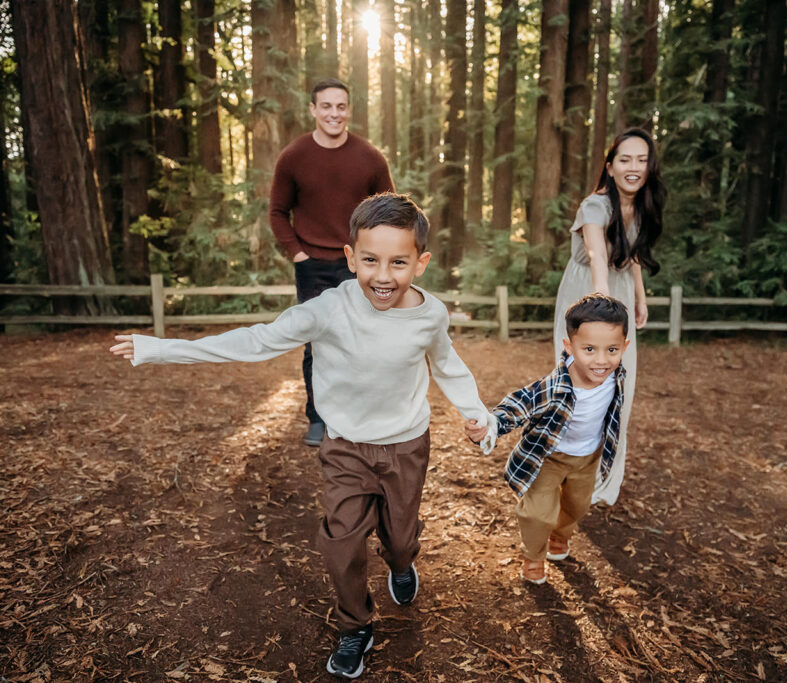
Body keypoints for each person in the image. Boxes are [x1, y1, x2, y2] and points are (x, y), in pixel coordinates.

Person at [110, 193, 497, 680]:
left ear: (420, 263)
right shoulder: (328, 309)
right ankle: (356, 625)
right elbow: (255, 340)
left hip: (406, 446)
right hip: (346, 449)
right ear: (350, 256)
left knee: (399, 538)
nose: (383, 276)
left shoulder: (431, 314)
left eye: (398, 262)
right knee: (341, 543)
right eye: (370, 260)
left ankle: (401, 563)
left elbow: (448, 365)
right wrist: (161, 349)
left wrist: (476, 412)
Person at [466, 294, 629, 584]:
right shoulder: (554, 386)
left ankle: (560, 534)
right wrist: (491, 425)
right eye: (589, 349)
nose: (601, 360)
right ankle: (533, 556)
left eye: (612, 349)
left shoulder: (616, 377)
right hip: (547, 457)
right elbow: (520, 403)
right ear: (569, 346)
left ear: (624, 347)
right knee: (538, 512)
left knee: (577, 507)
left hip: (587, 458)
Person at [270, 77, 395, 447]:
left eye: (340, 106)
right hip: (312, 265)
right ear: (313, 110)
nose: (334, 113)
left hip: (360, 265)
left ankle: (362, 416)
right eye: (326, 106)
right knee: (318, 344)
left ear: (349, 110)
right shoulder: (294, 156)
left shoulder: (370, 157)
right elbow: (278, 212)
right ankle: (318, 418)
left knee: (365, 340)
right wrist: (298, 253)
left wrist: (375, 257)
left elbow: (389, 211)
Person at [552, 127, 666, 506]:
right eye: (625, 160)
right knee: (583, 387)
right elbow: (598, 255)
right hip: (585, 294)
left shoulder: (641, 204)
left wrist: (639, 297)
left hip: (617, 292)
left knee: (620, 387)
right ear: (610, 166)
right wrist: (601, 306)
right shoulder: (595, 206)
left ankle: (601, 480)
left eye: (641, 159)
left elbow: (630, 256)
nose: (634, 167)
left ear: (650, 166)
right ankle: (567, 476)